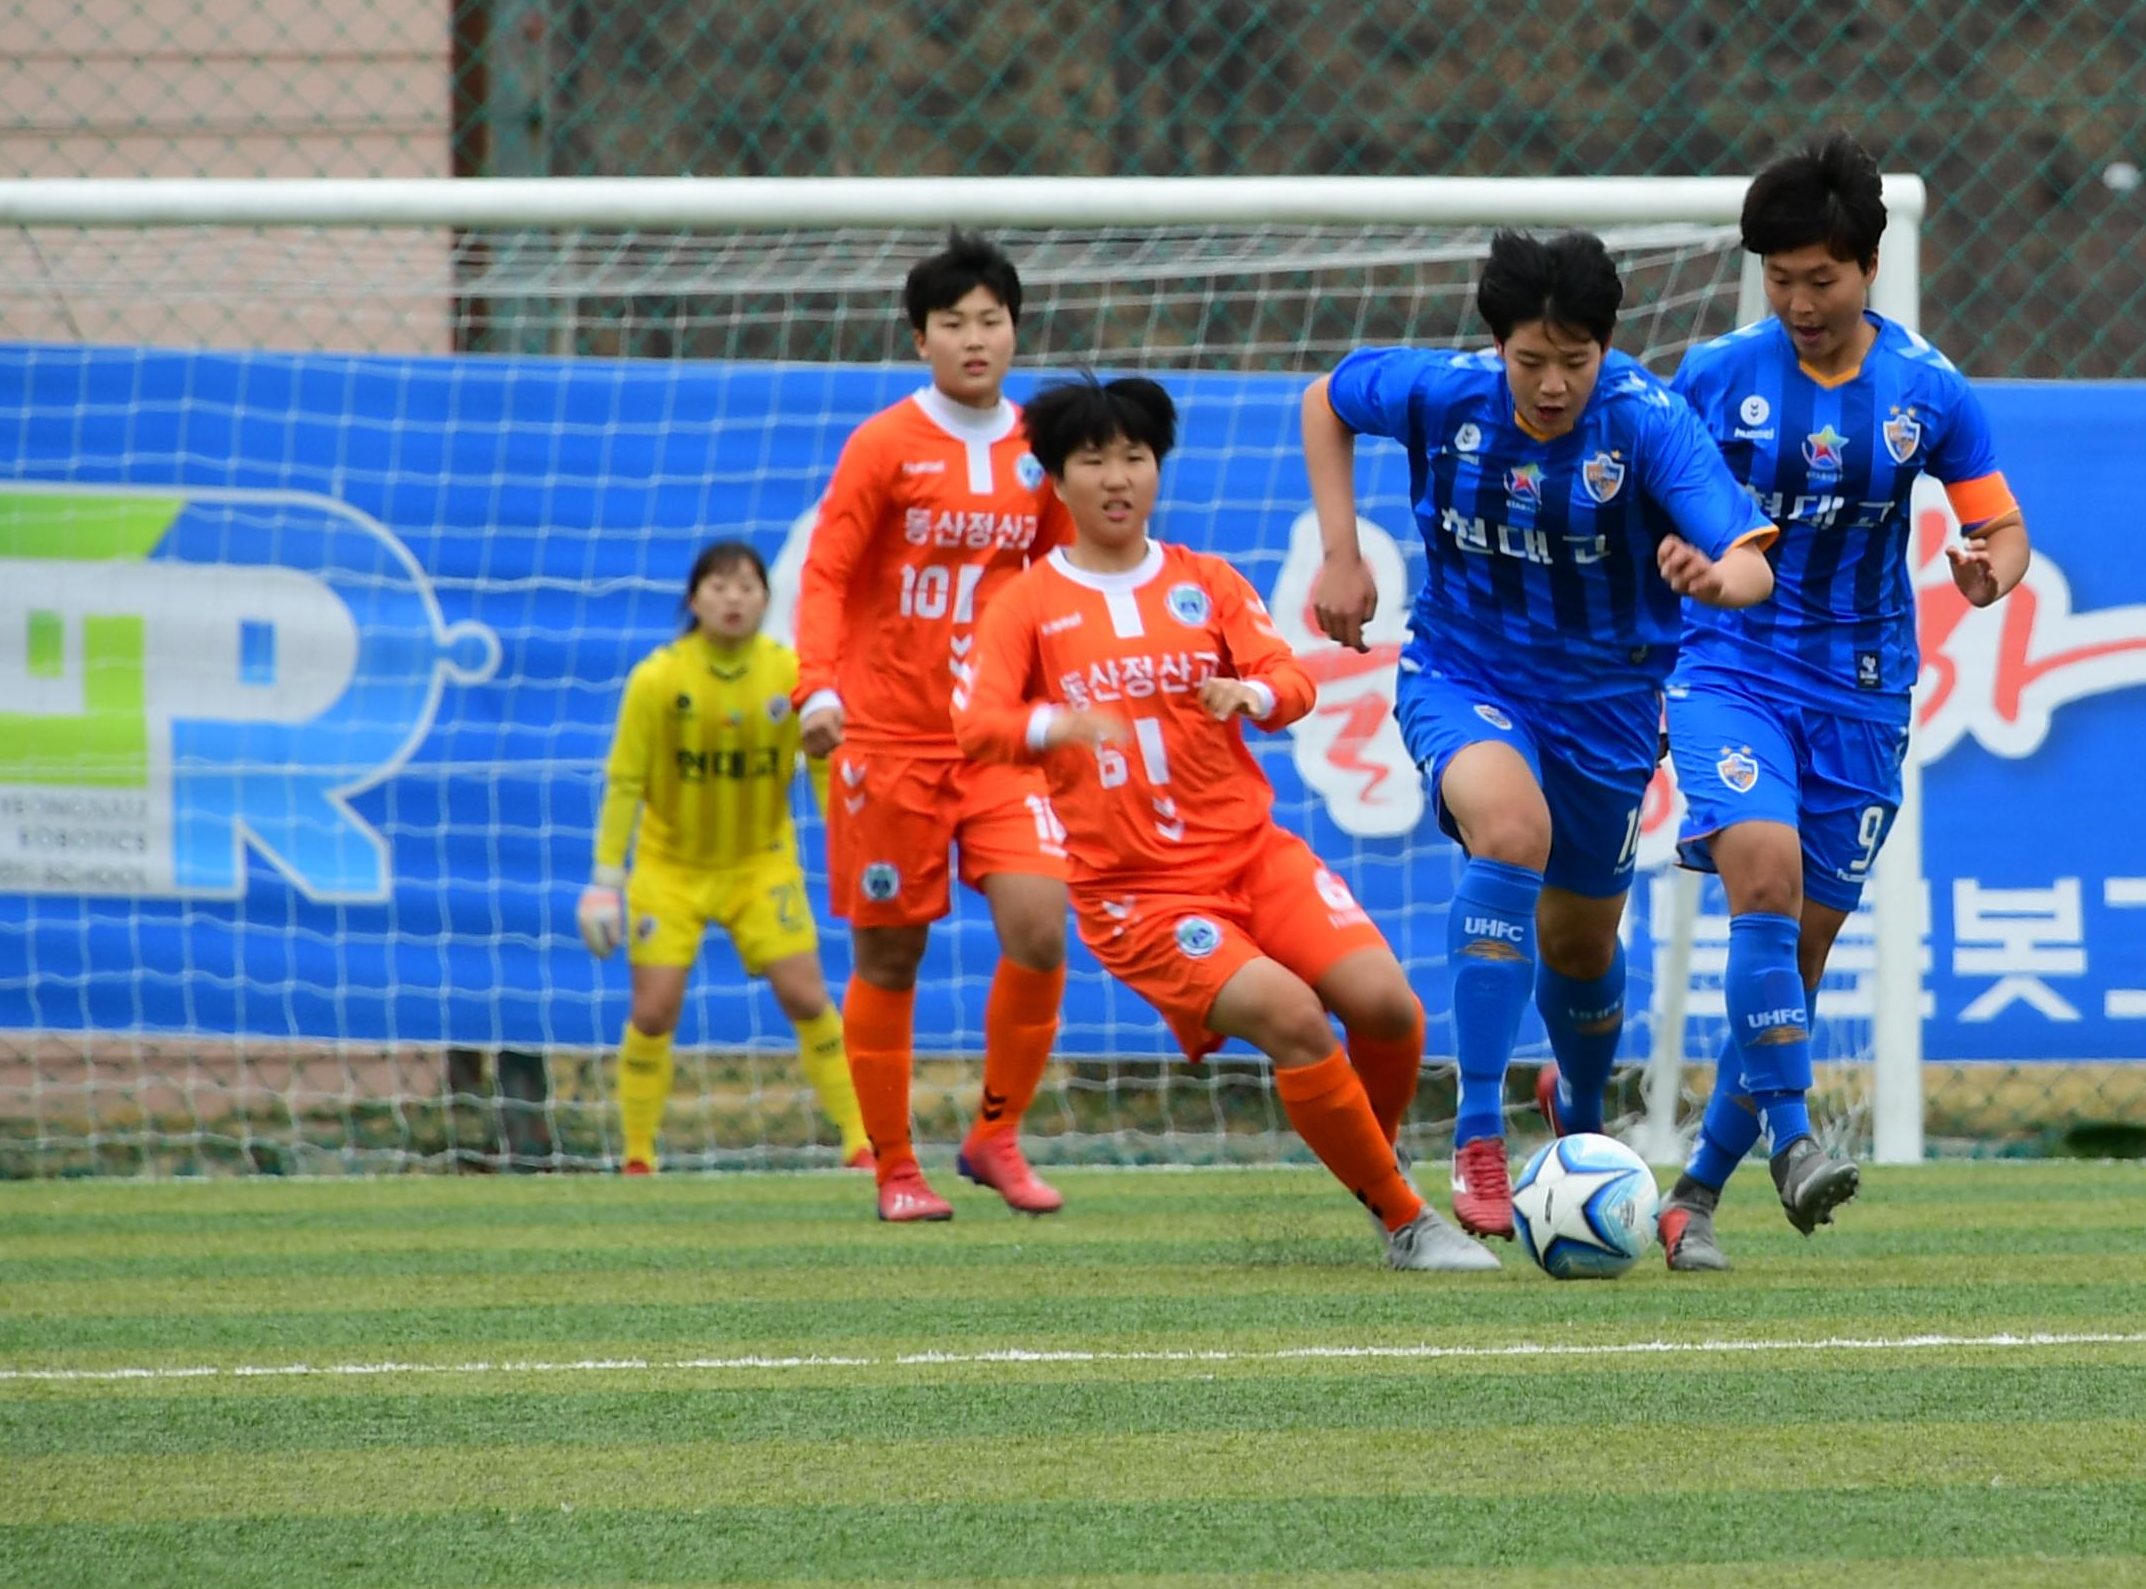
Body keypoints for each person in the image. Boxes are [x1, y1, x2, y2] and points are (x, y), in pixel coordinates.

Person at [1302, 230, 1778, 1237]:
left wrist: (1712, 578)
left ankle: (1582, 1113)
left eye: (1577, 358)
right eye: (1533, 359)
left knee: (1579, 943)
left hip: (1607, 709)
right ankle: (1477, 1129)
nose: (1554, 382)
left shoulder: (1648, 423)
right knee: (1509, 830)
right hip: (1464, 672)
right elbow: (1328, 397)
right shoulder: (1444, 393)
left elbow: (1752, 564)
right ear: (1498, 343)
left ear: (1606, 347)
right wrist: (1342, 553)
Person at [960, 377, 1491, 1270]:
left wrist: (1253, 692)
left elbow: (1294, 679)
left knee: (1390, 1010)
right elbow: (978, 726)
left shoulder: (1204, 581)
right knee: (1293, 1016)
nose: (1118, 475)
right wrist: (1059, 724)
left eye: (1135, 455)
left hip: (1253, 855)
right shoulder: (1026, 606)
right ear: (1057, 480)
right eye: (1094, 459)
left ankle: (1376, 1158)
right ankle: (1408, 1222)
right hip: (1141, 897)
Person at [1650, 136, 2029, 1269]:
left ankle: (1692, 1197)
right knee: (1759, 874)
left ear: (1868, 268)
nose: (1801, 301)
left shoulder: (1927, 390)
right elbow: (1651, 503)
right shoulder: (1716, 376)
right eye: (1780, 278)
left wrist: (1985, 571)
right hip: (1729, 664)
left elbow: (2002, 527)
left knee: (1792, 975)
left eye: (1821, 278)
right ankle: (1798, 1141)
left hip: (1864, 693)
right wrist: (1684, 564)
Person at [795, 231, 1075, 1224]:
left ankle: (996, 1134)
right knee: (890, 957)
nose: (972, 337)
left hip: (996, 737)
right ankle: (895, 1167)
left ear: (1014, 330)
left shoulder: (1043, 446)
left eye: (989, 320)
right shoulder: (884, 444)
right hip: (886, 737)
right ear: (921, 338)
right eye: (951, 322)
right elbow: (827, 571)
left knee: (1041, 927)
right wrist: (816, 687)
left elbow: (1056, 580)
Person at [577, 542, 866, 1173]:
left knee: (808, 999)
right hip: (669, 870)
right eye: (718, 587)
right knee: (653, 1012)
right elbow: (626, 779)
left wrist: (849, 843)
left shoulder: (790, 674)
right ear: (693, 599)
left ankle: (860, 1144)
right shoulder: (659, 678)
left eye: (747, 588)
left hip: (760, 867)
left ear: (767, 599)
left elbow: (821, 766)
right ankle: (637, 1157)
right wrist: (605, 881)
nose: (733, 600)